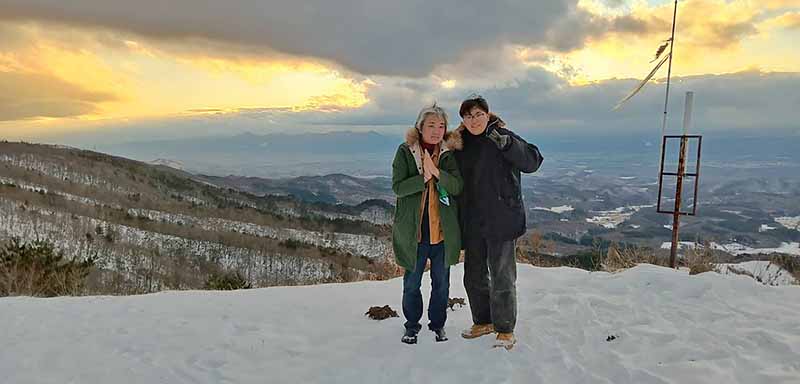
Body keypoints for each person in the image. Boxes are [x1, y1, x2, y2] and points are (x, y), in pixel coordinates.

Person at [454, 95, 543, 350]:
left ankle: (505, 329)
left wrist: (508, 145)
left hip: (501, 218)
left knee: (502, 276)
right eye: (468, 116)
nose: (474, 120)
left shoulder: (502, 136)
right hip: (472, 221)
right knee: (474, 275)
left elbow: (533, 162)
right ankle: (483, 321)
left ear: (488, 114)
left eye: (478, 114)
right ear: (463, 119)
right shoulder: (460, 144)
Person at [391, 103, 463, 344]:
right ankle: (412, 325)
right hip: (415, 234)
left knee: (441, 285)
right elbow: (398, 187)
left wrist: (438, 172)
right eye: (431, 125)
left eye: (441, 126)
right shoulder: (405, 151)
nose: (436, 130)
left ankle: (438, 325)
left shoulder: (448, 154)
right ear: (420, 127)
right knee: (411, 284)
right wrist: (423, 177)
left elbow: (457, 187)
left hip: (441, 234)